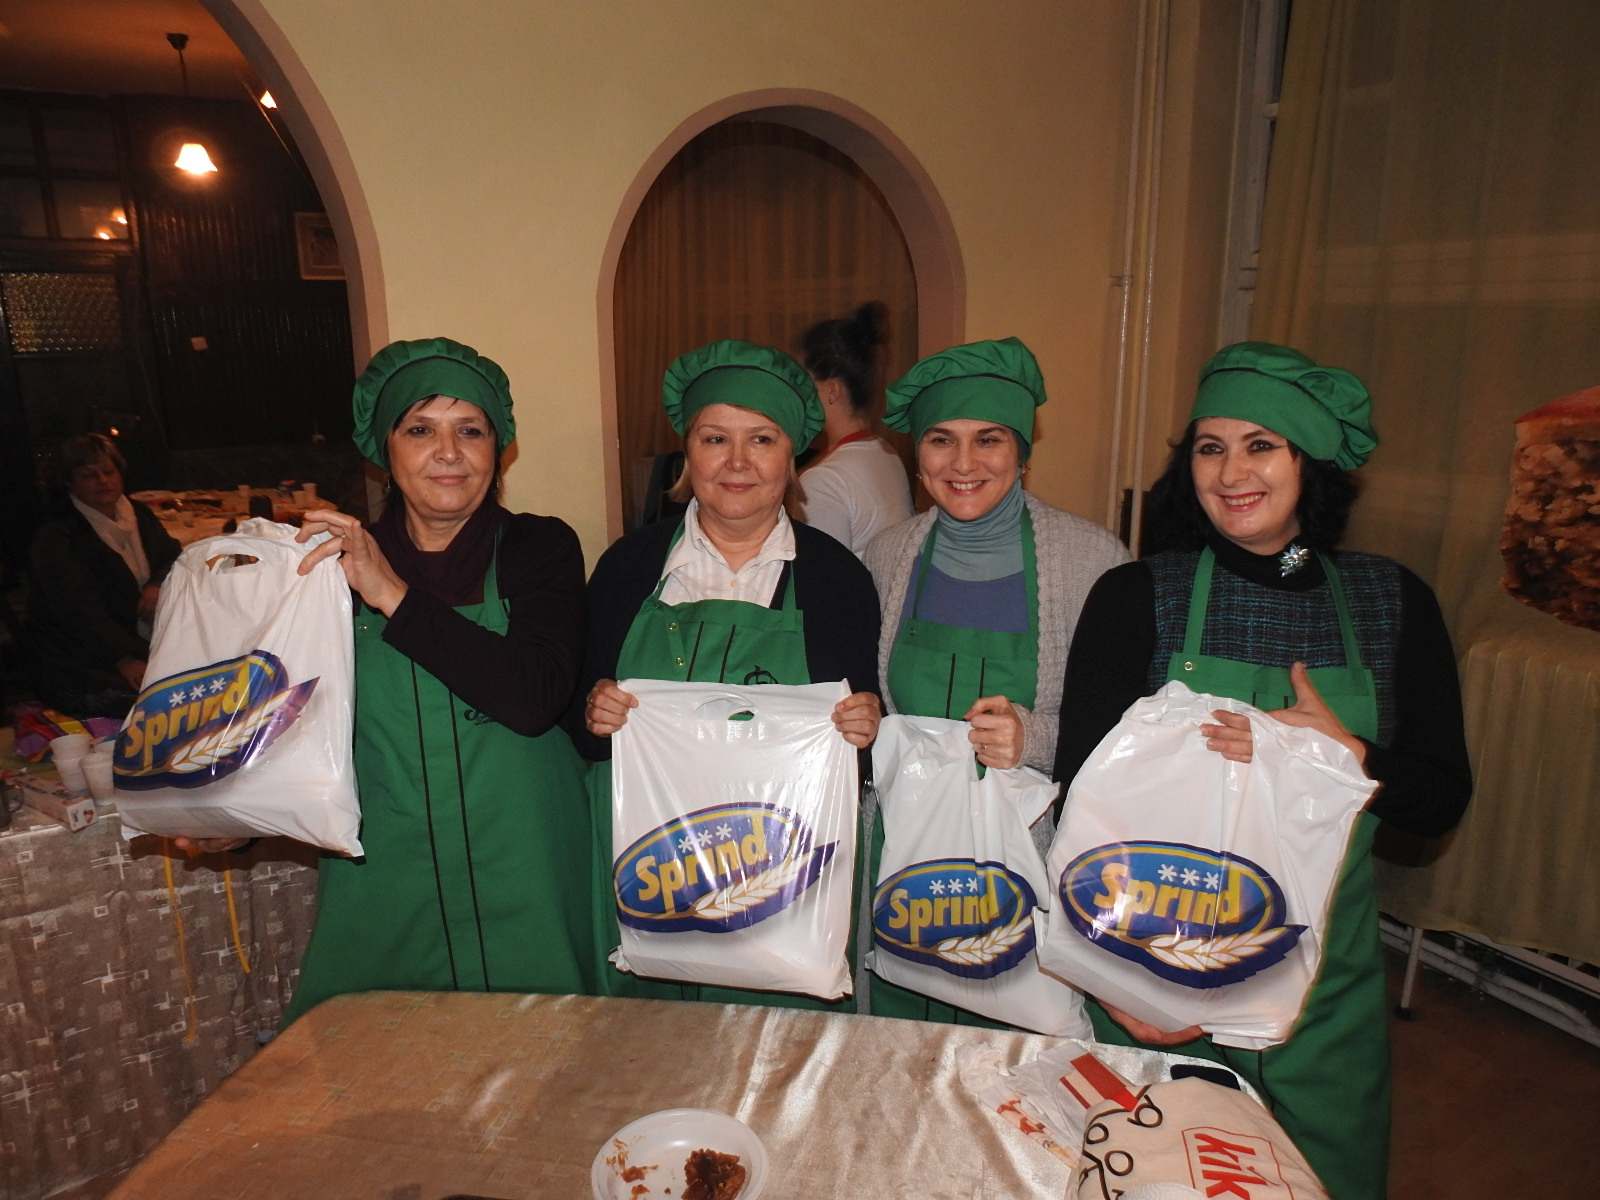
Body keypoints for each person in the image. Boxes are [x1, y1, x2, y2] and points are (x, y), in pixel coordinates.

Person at [1053, 341, 1472, 1199]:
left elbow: (1438, 801)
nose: (1231, 471)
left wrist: (1351, 756)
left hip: (1322, 989)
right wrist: (1109, 981)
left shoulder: (1392, 602)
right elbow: (1075, 805)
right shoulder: (1138, 596)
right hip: (1153, 964)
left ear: (1308, 461)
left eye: (1260, 445)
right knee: (1146, 1176)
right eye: (1211, 447)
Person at [235, 337, 595, 1022]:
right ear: (386, 450)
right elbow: (284, 726)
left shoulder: (539, 547)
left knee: (549, 1059)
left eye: (471, 430)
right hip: (389, 883)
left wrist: (391, 592)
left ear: (498, 448)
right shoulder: (326, 573)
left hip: (529, 877)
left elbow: (532, 697)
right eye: (421, 430)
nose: (449, 453)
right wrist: (232, 817)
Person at [574, 337, 883, 1007]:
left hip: (779, 892)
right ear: (688, 454)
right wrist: (593, 710)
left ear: (792, 457)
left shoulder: (838, 580)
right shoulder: (627, 568)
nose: (738, 462)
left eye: (761, 440)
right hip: (647, 871)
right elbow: (579, 721)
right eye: (715, 439)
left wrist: (867, 726)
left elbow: (860, 749)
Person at [861, 336, 1131, 1023]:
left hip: (1034, 868)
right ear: (917, 455)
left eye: (989, 439)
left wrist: (1033, 738)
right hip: (909, 862)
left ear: (1022, 453)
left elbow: (1129, 739)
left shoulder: (1094, 562)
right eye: (941, 440)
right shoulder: (886, 558)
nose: (963, 464)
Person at [27, 433, 181, 716]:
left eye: (108, 472)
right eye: (89, 476)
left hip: (135, 637)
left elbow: (172, 555)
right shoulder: (57, 536)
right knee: (163, 702)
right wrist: (122, 658)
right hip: (81, 655)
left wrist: (156, 584)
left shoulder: (137, 513)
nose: (102, 481)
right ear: (70, 482)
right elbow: (78, 612)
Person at [796, 302, 912, 553]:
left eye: (804, 382)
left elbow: (824, 573)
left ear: (832, 390)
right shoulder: (885, 451)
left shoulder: (823, 482)